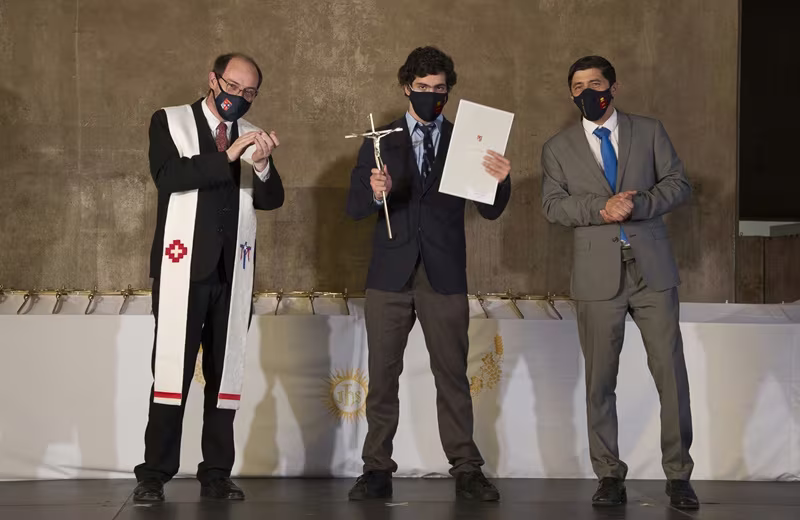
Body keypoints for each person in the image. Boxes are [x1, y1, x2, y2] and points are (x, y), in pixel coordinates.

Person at [346, 46, 511, 502]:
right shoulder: (379, 140)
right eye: (422, 87)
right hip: (389, 275)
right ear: (407, 88)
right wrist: (373, 190)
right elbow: (355, 207)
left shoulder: (468, 140)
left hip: (444, 274)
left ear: (448, 91)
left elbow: (490, 209)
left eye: (440, 89)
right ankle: (376, 468)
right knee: (382, 377)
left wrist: (500, 179)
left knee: (452, 376)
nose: (431, 95)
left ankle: (467, 469)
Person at [540, 56, 698, 510]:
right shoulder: (557, 148)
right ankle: (609, 475)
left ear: (614, 86)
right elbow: (553, 206)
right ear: (571, 94)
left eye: (596, 83)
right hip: (596, 277)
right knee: (600, 380)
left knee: (670, 375)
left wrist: (640, 203)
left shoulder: (649, 131)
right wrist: (601, 208)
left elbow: (679, 184)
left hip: (653, 272)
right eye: (578, 86)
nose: (588, 91)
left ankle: (679, 476)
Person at [133, 53, 284, 502]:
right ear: (213, 80)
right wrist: (228, 155)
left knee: (225, 374)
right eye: (233, 87)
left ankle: (216, 473)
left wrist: (261, 165)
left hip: (231, 273)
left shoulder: (251, 132)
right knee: (171, 373)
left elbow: (271, 199)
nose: (239, 97)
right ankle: (154, 475)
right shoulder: (170, 121)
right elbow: (168, 176)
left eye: (249, 92)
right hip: (183, 270)